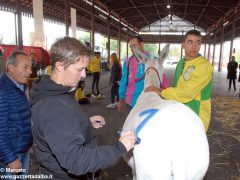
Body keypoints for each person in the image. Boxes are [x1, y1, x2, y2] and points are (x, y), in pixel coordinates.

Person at [30, 37, 135, 179]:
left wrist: (83, 123)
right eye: (79, 69)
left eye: (85, 69)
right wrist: (119, 147)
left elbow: (58, 126)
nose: (84, 75)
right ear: (60, 66)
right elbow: (76, 162)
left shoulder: (56, 92)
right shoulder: (55, 107)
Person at [145, 30, 213, 131]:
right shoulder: (181, 62)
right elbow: (177, 86)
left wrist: (161, 92)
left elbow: (187, 93)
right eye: (190, 42)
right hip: (180, 110)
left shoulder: (204, 65)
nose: (194, 46)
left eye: (197, 42)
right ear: (183, 45)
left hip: (196, 113)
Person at [0, 50, 33, 179]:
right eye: (25, 67)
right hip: (11, 155)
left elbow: (23, 118)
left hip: (22, 149)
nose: (30, 71)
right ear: (10, 67)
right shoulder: (2, 90)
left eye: (30, 67)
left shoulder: (21, 86)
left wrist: (29, 142)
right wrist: (11, 159)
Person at [118, 35, 153, 113]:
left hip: (148, 102)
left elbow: (162, 78)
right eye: (131, 46)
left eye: (134, 45)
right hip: (131, 102)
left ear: (141, 44)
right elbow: (124, 81)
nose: (132, 49)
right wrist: (121, 99)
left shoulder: (153, 59)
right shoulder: (127, 62)